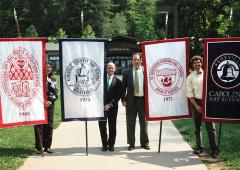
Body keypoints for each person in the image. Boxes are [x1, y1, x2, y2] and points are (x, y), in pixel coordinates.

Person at [186, 55, 218, 158]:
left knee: (211, 128)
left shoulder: (208, 74)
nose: (197, 64)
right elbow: (189, 93)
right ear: (193, 64)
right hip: (197, 102)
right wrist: (196, 105)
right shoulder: (190, 77)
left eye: (199, 62)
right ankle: (200, 147)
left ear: (202, 63)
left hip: (208, 103)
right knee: (197, 127)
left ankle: (214, 150)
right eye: (195, 63)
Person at [121, 53, 149, 151]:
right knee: (130, 124)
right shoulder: (126, 72)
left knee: (144, 124)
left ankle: (144, 143)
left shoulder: (146, 71)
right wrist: (123, 100)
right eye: (134, 60)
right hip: (131, 102)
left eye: (138, 60)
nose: (136, 61)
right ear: (132, 61)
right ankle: (131, 144)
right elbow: (122, 88)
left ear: (141, 60)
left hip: (143, 101)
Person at [34, 62, 58, 154]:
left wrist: (50, 101)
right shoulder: (37, 80)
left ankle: (47, 147)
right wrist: (41, 102)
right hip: (38, 105)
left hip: (50, 105)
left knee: (49, 126)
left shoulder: (53, 80)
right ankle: (39, 147)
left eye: (49, 67)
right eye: (46, 67)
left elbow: (56, 94)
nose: (48, 69)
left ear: (51, 69)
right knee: (38, 126)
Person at [98, 62, 122, 152]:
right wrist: (103, 104)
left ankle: (111, 144)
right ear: (106, 69)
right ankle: (104, 145)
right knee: (102, 126)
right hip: (101, 108)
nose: (110, 69)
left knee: (112, 126)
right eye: (109, 68)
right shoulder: (100, 81)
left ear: (115, 69)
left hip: (112, 108)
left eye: (112, 68)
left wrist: (109, 105)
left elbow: (118, 96)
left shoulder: (118, 82)